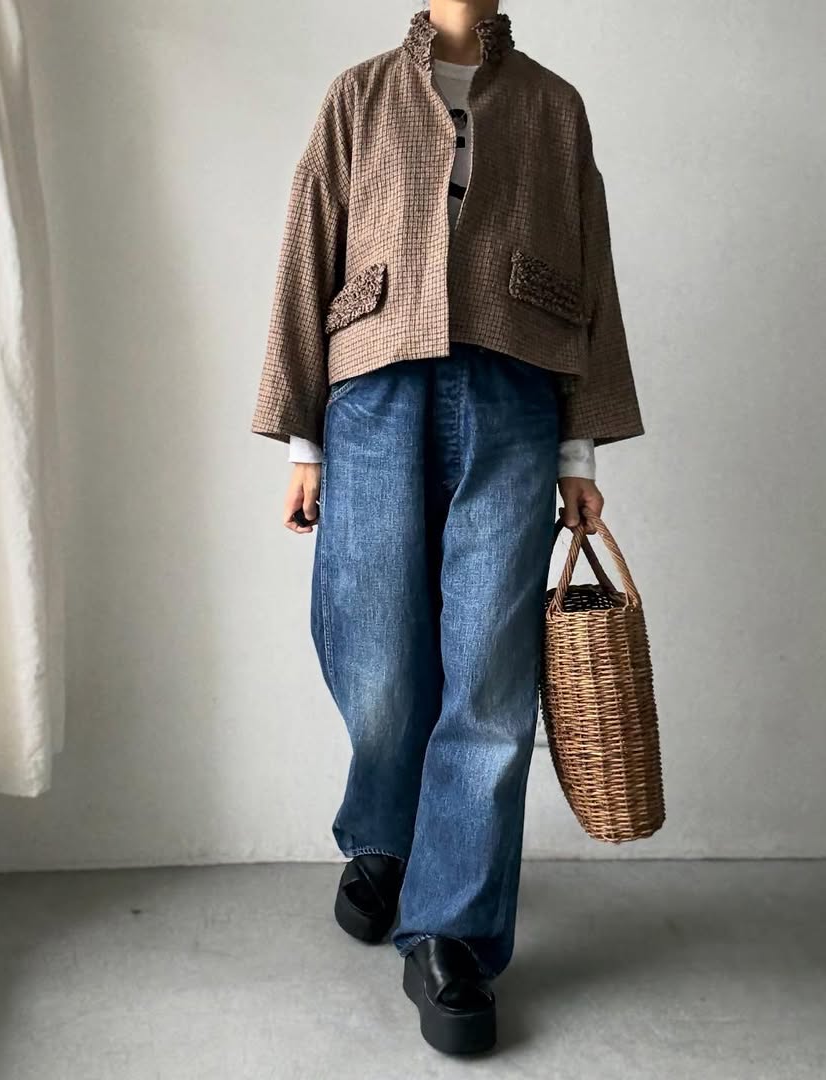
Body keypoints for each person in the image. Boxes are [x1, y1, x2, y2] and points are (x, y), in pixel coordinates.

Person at [251, 0, 643, 1055]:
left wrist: (578, 452)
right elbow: (308, 248)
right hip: (374, 394)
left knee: (490, 675)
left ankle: (451, 933)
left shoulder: (555, 108)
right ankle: (386, 835)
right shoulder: (359, 94)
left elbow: (591, 271)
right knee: (378, 655)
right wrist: (302, 440)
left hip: (514, 398)